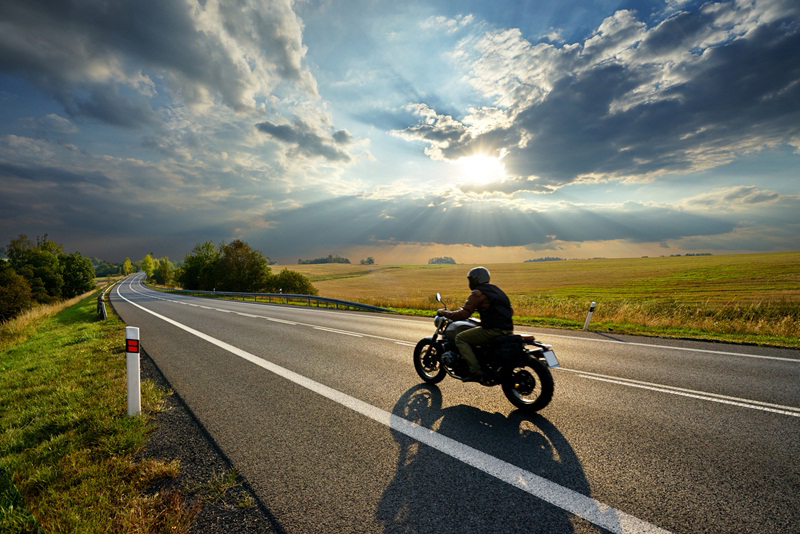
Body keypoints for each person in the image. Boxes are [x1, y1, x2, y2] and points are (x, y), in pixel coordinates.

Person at [436, 266, 514, 380]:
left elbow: (464, 314)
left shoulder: (478, 293)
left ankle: (475, 371)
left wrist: (445, 313)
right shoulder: (496, 290)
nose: (469, 283)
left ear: (476, 280)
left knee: (460, 338)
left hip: (492, 331)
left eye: (470, 280)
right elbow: (509, 311)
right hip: (508, 329)